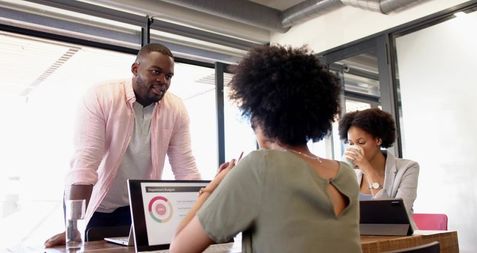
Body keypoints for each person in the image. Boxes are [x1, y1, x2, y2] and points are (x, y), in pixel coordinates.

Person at [169, 45, 361, 253]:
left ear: (261, 117)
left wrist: (214, 187)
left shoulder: (260, 165)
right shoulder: (346, 173)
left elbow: (179, 248)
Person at [44, 43, 201, 247]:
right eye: (156, 72)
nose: (162, 81)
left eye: (168, 76)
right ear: (135, 69)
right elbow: (85, 164)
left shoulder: (176, 108)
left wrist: (203, 220)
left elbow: (186, 167)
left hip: (136, 207)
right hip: (96, 203)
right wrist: (72, 228)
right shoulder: (101, 96)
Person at [338, 108, 419, 214]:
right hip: (356, 231)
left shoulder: (408, 168)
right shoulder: (351, 171)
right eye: (351, 143)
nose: (355, 148)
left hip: (394, 230)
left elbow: (397, 215)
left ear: (378, 140)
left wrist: (367, 168)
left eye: (361, 142)